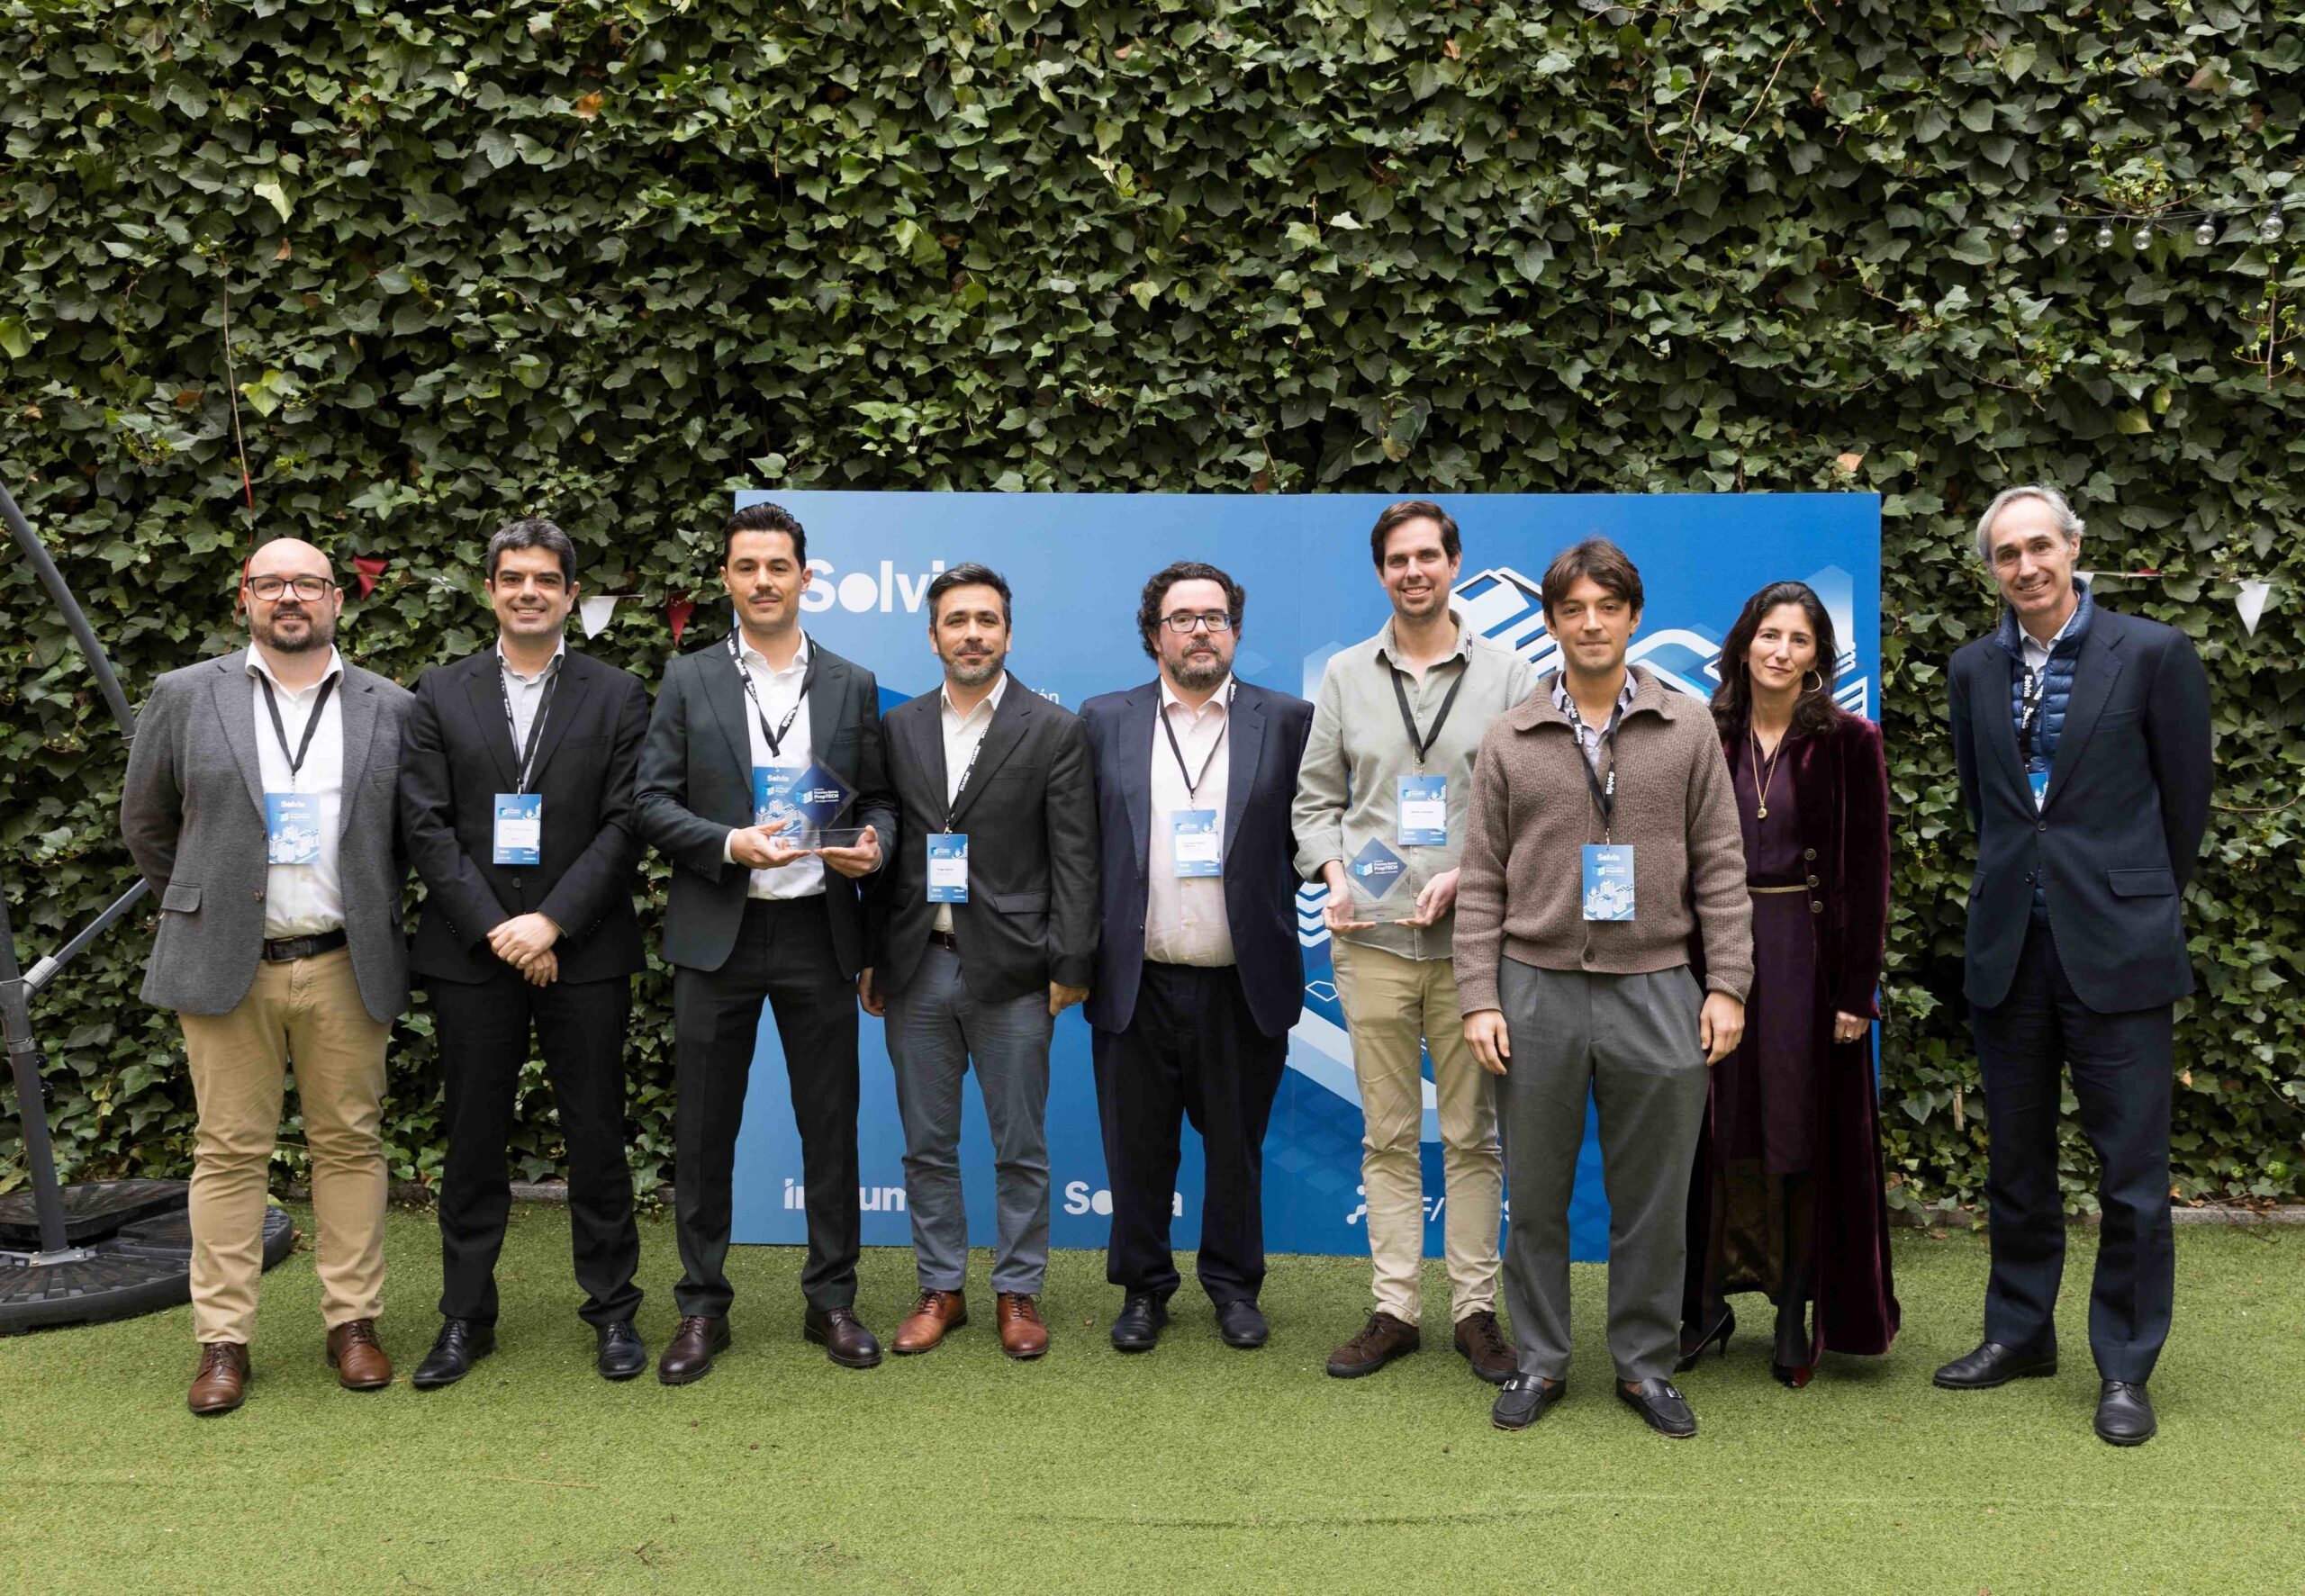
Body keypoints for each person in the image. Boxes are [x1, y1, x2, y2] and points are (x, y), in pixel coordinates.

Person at [1456, 537, 1750, 1438]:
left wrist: (1728, 984)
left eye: (1608, 607)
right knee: (1536, 1198)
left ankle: (1644, 1365)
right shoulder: (1509, 736)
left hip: (1658, 986)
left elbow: (1721, 864)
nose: (1591, 623)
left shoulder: (1687, 725)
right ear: (1551, 622)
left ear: (1633, 617)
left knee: (1653, 1203)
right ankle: (1541, 1361)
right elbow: (1481, 878)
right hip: (1533, 989)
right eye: (1573, 609)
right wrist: (1478, 997)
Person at [1938, 485, 2210, 1447]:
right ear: (1991, 570)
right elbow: (1989, 804)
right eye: (2006, 554)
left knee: (2131, 1175)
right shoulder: (1972, 668)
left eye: (2039, 547)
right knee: (2016, 1162)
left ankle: (2125, 1366)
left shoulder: (2154, 653)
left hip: (2120, 951)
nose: (2025, 567)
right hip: (2009, 947)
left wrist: (2129, 897)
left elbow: (2184, 803)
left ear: (2074, 548)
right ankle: (2019, 1334)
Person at [120, 537, 412, 1414]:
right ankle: (223, 1341)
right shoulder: (184, 694)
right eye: (272, 583)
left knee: (350, 1144)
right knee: (228, 1152)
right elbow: (145, 822)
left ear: (337, 600)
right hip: (225, 963)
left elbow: (409, 837)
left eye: (308, 583)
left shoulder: (391, 706)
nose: (291, 597)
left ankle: (353, 1323)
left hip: (344, 960)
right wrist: (206, 906)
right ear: (244, 597)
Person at [634, 500, 899, 1384]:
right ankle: (701, 1307)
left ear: (804, 577)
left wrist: (875, 848)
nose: (762, 581)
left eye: (778, 566)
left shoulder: (852, 682)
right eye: (746, 566)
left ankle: (832, 1301)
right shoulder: (690, 678)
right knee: (705, 1131)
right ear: (726, 579)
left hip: (820, 930)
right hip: (720, 932)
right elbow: (650, 801)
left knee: (830, 1126)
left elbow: (880, 801)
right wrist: (727, 843)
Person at [397, 518, 653, 1387]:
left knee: (597, 1134)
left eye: (546, 578)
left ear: (572, 595)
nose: (529, 592)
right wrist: (500, 929)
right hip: (471, 953)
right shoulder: (440, 691)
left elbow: (625, 823)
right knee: (472, 1138)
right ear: (490, 591)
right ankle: (465, 1317)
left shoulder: (618, 694)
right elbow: (426, 825)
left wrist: (551, 923)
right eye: (513, 578)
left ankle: (614, 1312)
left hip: (584, 949)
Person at [1293, 500, 1532, 1386]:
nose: (1414, 571)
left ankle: (1475, 1312)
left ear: (1454, 562)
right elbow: (1315, 801)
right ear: (1380, 572)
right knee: (1388, 1137)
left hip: (1474, 948)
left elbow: (1534, 805)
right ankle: (1394, 1309)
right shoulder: (1346, 675)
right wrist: (1331, 872)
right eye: (1398, 559)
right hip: (1372, 944)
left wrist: (1470, 873)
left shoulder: (1510, 673)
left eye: (1428, 555)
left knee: (1472, 1137)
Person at [862, 564, 1099, 1360]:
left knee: (1018, 1145)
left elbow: (1076, 857)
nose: (972, 634)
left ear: (1008, 633)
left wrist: (1071, 961)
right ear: (933, 636)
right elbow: (887, 850)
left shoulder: (1054, 728)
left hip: (1016, 968)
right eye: (957, 620)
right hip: (916, 964)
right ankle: (941, 1287)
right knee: (926, 1145)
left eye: (987, 620)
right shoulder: (897, 727)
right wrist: (874, 955)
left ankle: (1018, 1289)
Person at [1080, 561, 1315, 1353]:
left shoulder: (1288, 720)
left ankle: (1234, 1287)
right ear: (1155, 635)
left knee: (1236, 1150)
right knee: (1136, 1150)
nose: (1200, 631)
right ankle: (1143, 1288)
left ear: (1235, 631)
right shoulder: (1103, 719)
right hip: (1134, 977)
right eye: (1182, 618)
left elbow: (1313, 832)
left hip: (1241, 982)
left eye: (1214, 617)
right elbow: (1082, 846)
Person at [1677, 581, 1897, 1389]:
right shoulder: (1702, 732)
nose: (1781, 651)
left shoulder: (1850, 741)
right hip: (1711, 955)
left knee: (1800, 1129)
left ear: (1818, 657)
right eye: (1769, 635)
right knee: (1711, 1125)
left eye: (1799, 640)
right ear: (1743, 644)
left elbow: (1869, 872)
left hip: (1808, 960)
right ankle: (1703, 1304)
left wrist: (1855, 993)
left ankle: (1795, 1307)